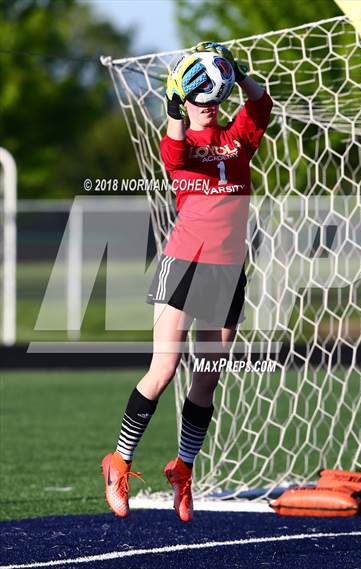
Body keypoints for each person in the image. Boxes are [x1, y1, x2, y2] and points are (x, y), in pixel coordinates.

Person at [101, 41, 272, 522]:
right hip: (186, 262)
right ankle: (118, 463)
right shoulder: (181, 146)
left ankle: (184, 469)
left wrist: (235, 74)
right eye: (199, 97)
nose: (208, 103)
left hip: (229, 268)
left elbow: (261, 105)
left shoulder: (239, 138)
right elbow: (174, 149)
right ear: (184, 101)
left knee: (207, 380)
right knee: (165, 368)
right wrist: (178, 100)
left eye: (213, 97)